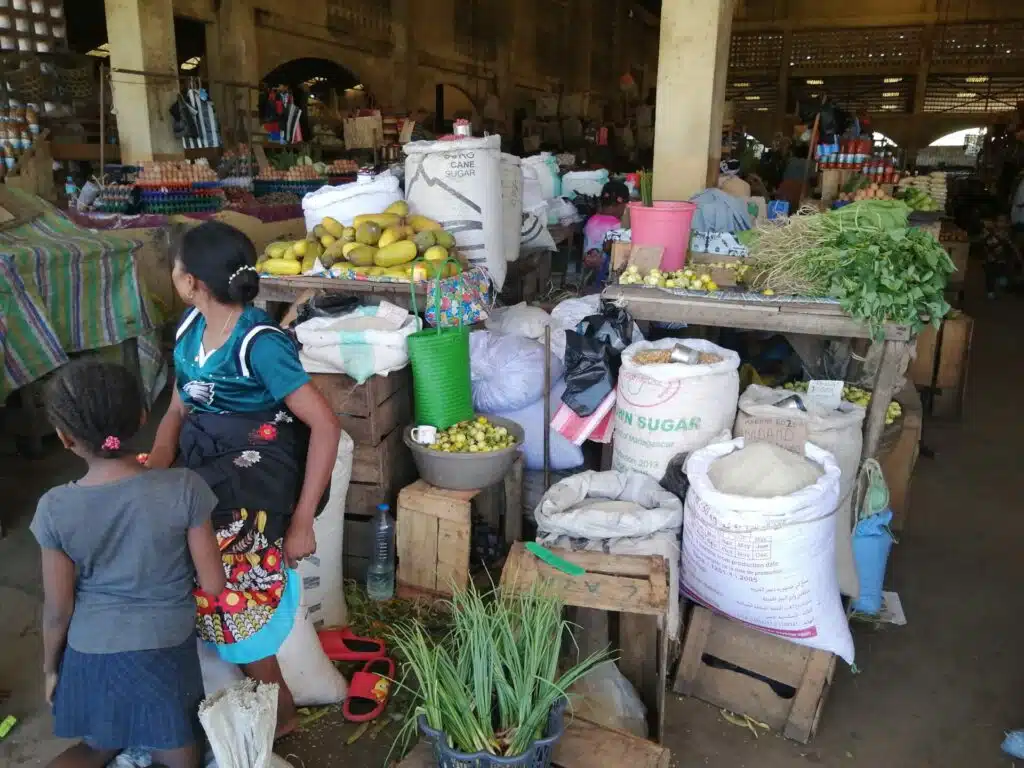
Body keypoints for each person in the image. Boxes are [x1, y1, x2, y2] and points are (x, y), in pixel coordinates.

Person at [147, 221, 341, 737]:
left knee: (232, 589)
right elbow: (178, 405)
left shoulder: (260, 343)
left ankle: (280, 714)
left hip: (257, 470)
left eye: (176, 267)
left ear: (192, 282)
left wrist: (302, 522)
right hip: (204, 458)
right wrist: (160, 459)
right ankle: (227, 690)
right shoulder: (189, 330)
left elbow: (325, 425)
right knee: (183, 557)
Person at [32, 360, 226, 768]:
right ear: (142, 417)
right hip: (164, 651)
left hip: (91, 653)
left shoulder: (54, 508)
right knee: (179, 756)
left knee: (96, 746)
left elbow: (57, 611)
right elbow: (212, 584)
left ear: (65, 438)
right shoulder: (185, 487)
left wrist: (53, 670)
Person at [583, 180, 630, 284]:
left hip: (588, 276)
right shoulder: (618, 226)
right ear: (623, 204)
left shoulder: (591, 221)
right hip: (606, 279)